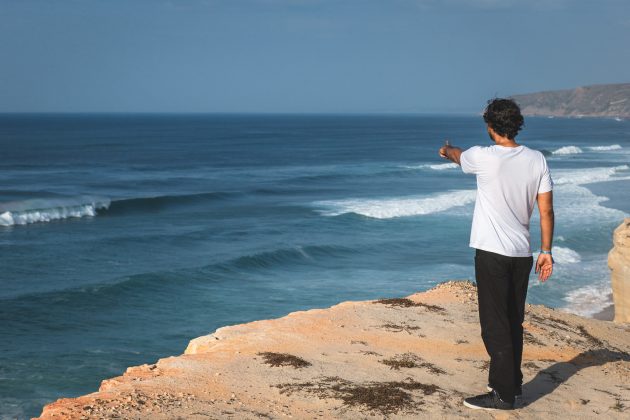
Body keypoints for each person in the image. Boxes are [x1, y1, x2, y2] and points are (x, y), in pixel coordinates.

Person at [438, 98, 555, 410]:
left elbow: (457, 156)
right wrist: (547, 250)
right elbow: (546, 210)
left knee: (494, 325)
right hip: (522, 254)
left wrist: (446, 150)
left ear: (490, 127)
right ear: (516, 125)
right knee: (513, 320)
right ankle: (513, 386)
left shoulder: (483, 156)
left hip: (492, 253)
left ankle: (502, 395)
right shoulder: (537, 159)